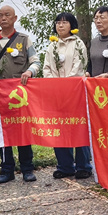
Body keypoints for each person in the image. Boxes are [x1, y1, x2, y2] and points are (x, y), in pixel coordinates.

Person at [0, 5, 40, 184]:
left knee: (22, 130)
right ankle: (7, 169)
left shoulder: (24, 40)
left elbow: (35, 61)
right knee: (1, 132)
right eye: (0, 16)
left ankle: (27, 168)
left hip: (19, 96)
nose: (3, 18)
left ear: (15, 18)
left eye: (7, 15)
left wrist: (30, 72)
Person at [43, 12, 92, 179]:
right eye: (58, 22)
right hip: (56, 94)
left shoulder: (78, 44)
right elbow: (47, 68)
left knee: (78, 127)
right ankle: (65, 166)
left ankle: (83, 166)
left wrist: (66, 86)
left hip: (75, 93)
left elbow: (79, 67)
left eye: (64, 22)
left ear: (72, 25)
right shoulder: (52, 45)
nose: (60, 25)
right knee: (59, 127)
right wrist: (54, 85)